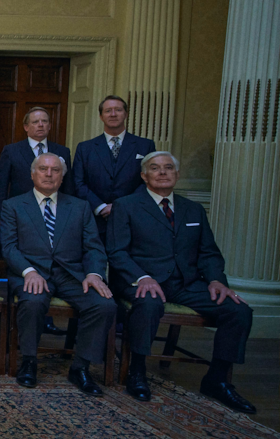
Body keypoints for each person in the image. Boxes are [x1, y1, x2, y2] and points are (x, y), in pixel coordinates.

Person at [106, 151, 255, 413]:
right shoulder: (126, 205)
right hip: (140, 280)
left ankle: (217, 379)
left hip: (186, 284)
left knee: (238, 310)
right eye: (155, 168)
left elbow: (208, 253)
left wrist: (216, 281)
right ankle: (136, 371)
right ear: (144, 176)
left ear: (177, 174)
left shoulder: (193, 209)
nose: (162, 172)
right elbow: (117, 252)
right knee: (148, 304)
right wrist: (142, 277)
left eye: (168, 168)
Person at [1, 152, 115, 395]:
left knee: (104, 305)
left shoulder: (80, 207)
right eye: (43, 169)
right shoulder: (13, 205)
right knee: (32, 301)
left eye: (55, 170)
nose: (49, 174)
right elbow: (9, 247)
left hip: (72, 275)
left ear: (62, 177)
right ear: (33, 174)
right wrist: (29, 271)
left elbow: (94, 247)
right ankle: (29, 361)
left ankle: (81, 367)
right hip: (30, 272)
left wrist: (94, 274)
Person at [72, 95, 155, 242]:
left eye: (118, 110)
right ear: (101, 116)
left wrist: (120, 207)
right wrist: (101, 207)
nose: (113, 114)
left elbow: (149, 181)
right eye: (108, 110)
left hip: (133, 219)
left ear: (126, 114)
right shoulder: (85, 148)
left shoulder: (145, 145)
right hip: (95, 221)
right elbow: (78, 182)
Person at [0, 106, 75, 211]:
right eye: (35, 122)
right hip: (21, 209)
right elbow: (2, 186)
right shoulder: (11, 151)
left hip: (54, 209)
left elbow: (68, 186)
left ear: (50, 126)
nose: (41, 125)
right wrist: (0, 213)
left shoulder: (62, 151)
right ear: (26, 127)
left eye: (44, 121)